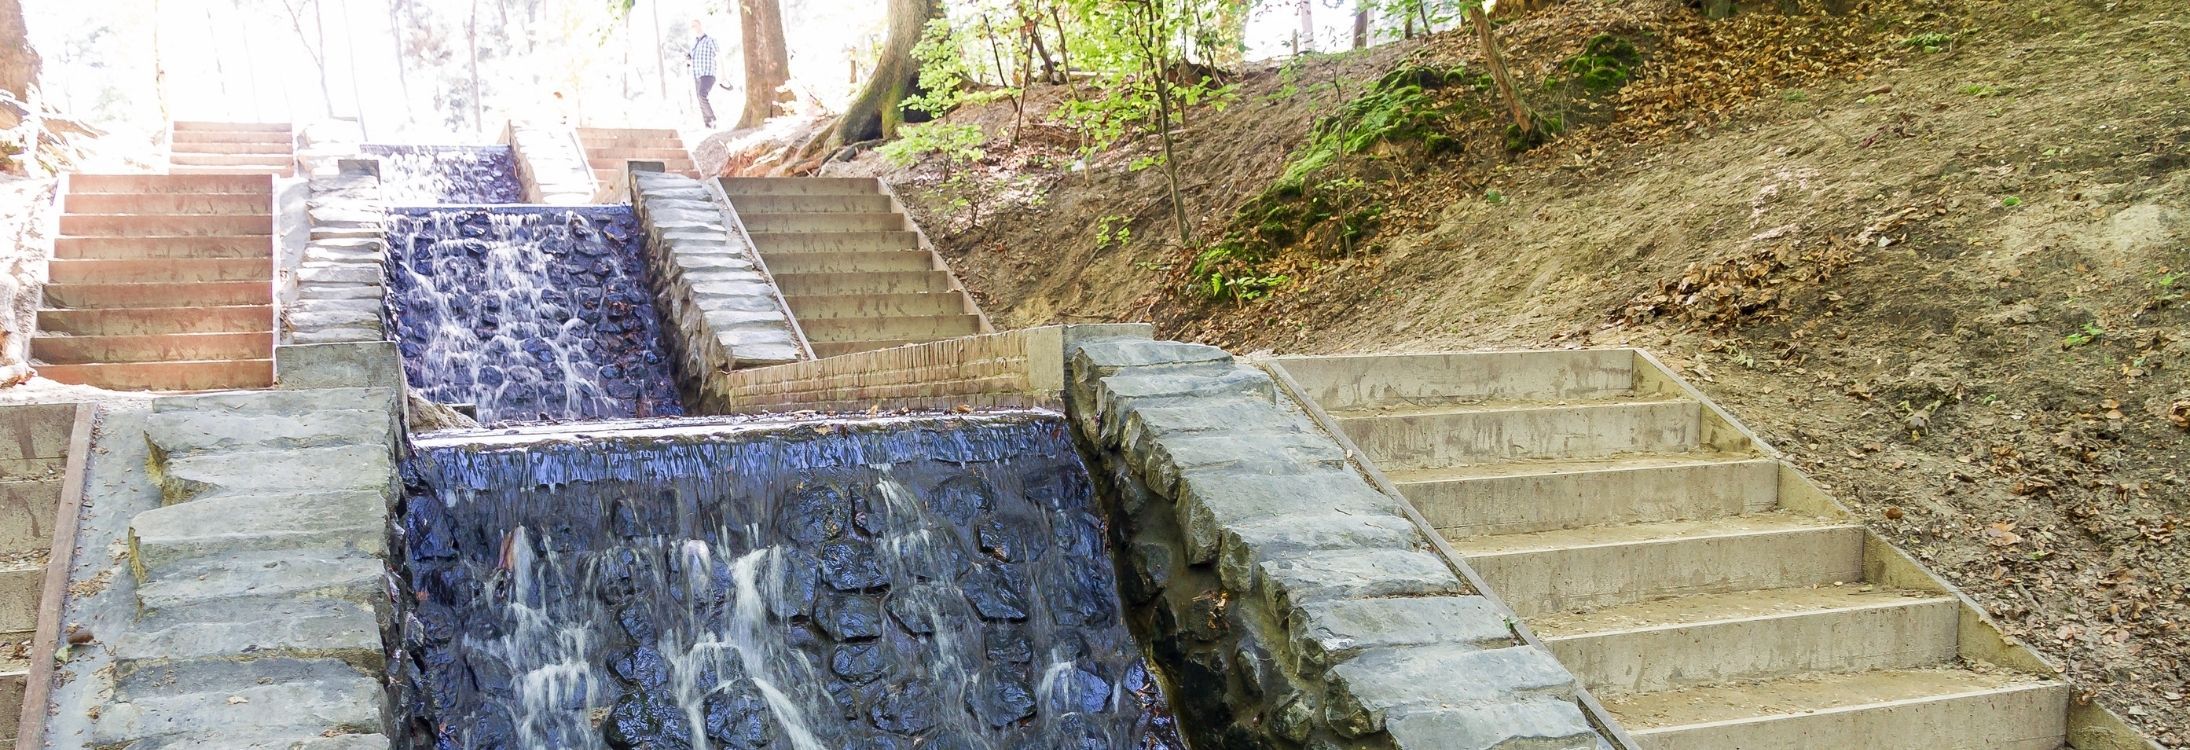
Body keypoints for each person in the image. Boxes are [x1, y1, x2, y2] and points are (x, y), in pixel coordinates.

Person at [688, 18, 720, 129]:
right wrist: (688, 58)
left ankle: (712, 119)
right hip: (697, 75)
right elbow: (691, 58)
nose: (694, 28)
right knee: (699, 97)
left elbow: (718, 55)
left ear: (700, 25)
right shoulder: (693, 43)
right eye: (692, 26)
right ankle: (708, 125)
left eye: (695, 25)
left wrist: (723, 74)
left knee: (702, 95)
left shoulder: (709, 39)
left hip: (708, 73)